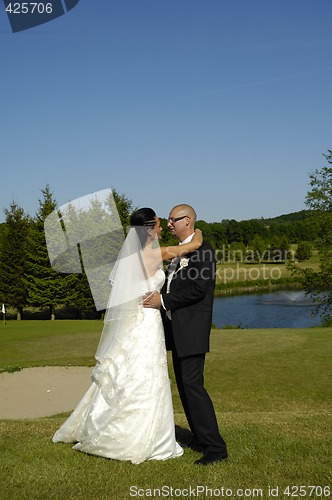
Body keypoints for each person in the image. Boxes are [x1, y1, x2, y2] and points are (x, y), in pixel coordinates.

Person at [52, 207, 203, 465]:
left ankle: (135, 425)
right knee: (146, 376)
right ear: (148, 229)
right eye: (157, 224)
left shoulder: (135, 256)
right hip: (146, 323)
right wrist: (197, 231)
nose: (161, 228)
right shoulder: (152, 255)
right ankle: (141, 435)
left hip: (139, 322)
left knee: (133, 374)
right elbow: (191, 245)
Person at [143, 204, 228, 465]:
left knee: (193, 386)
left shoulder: (203, 250)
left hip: (192, 329)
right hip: (176, 330)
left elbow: (198, 289)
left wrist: (164, 301)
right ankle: (200, 438)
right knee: (184, 386)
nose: (169, 224)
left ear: (187, 220)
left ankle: (215, 447)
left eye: (173, 219)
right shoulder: (180, 252)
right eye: (167, 220)